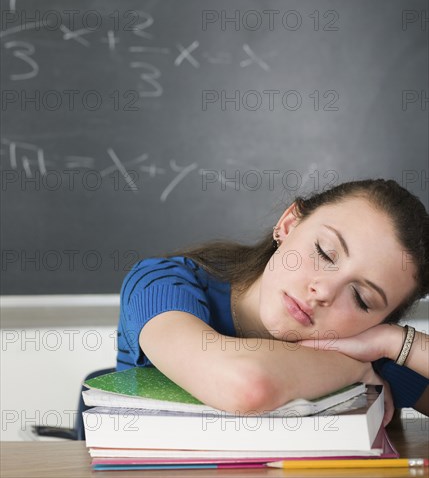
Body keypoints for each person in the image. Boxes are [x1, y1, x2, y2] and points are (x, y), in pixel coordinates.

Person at [116, 178, 429, 424]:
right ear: (289, 225)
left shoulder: (364, 344)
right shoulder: (162, 283)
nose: (323, 291)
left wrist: (398, 341)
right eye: (323, 252)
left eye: (361, 299)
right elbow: (247, 386)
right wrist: (353, 371)